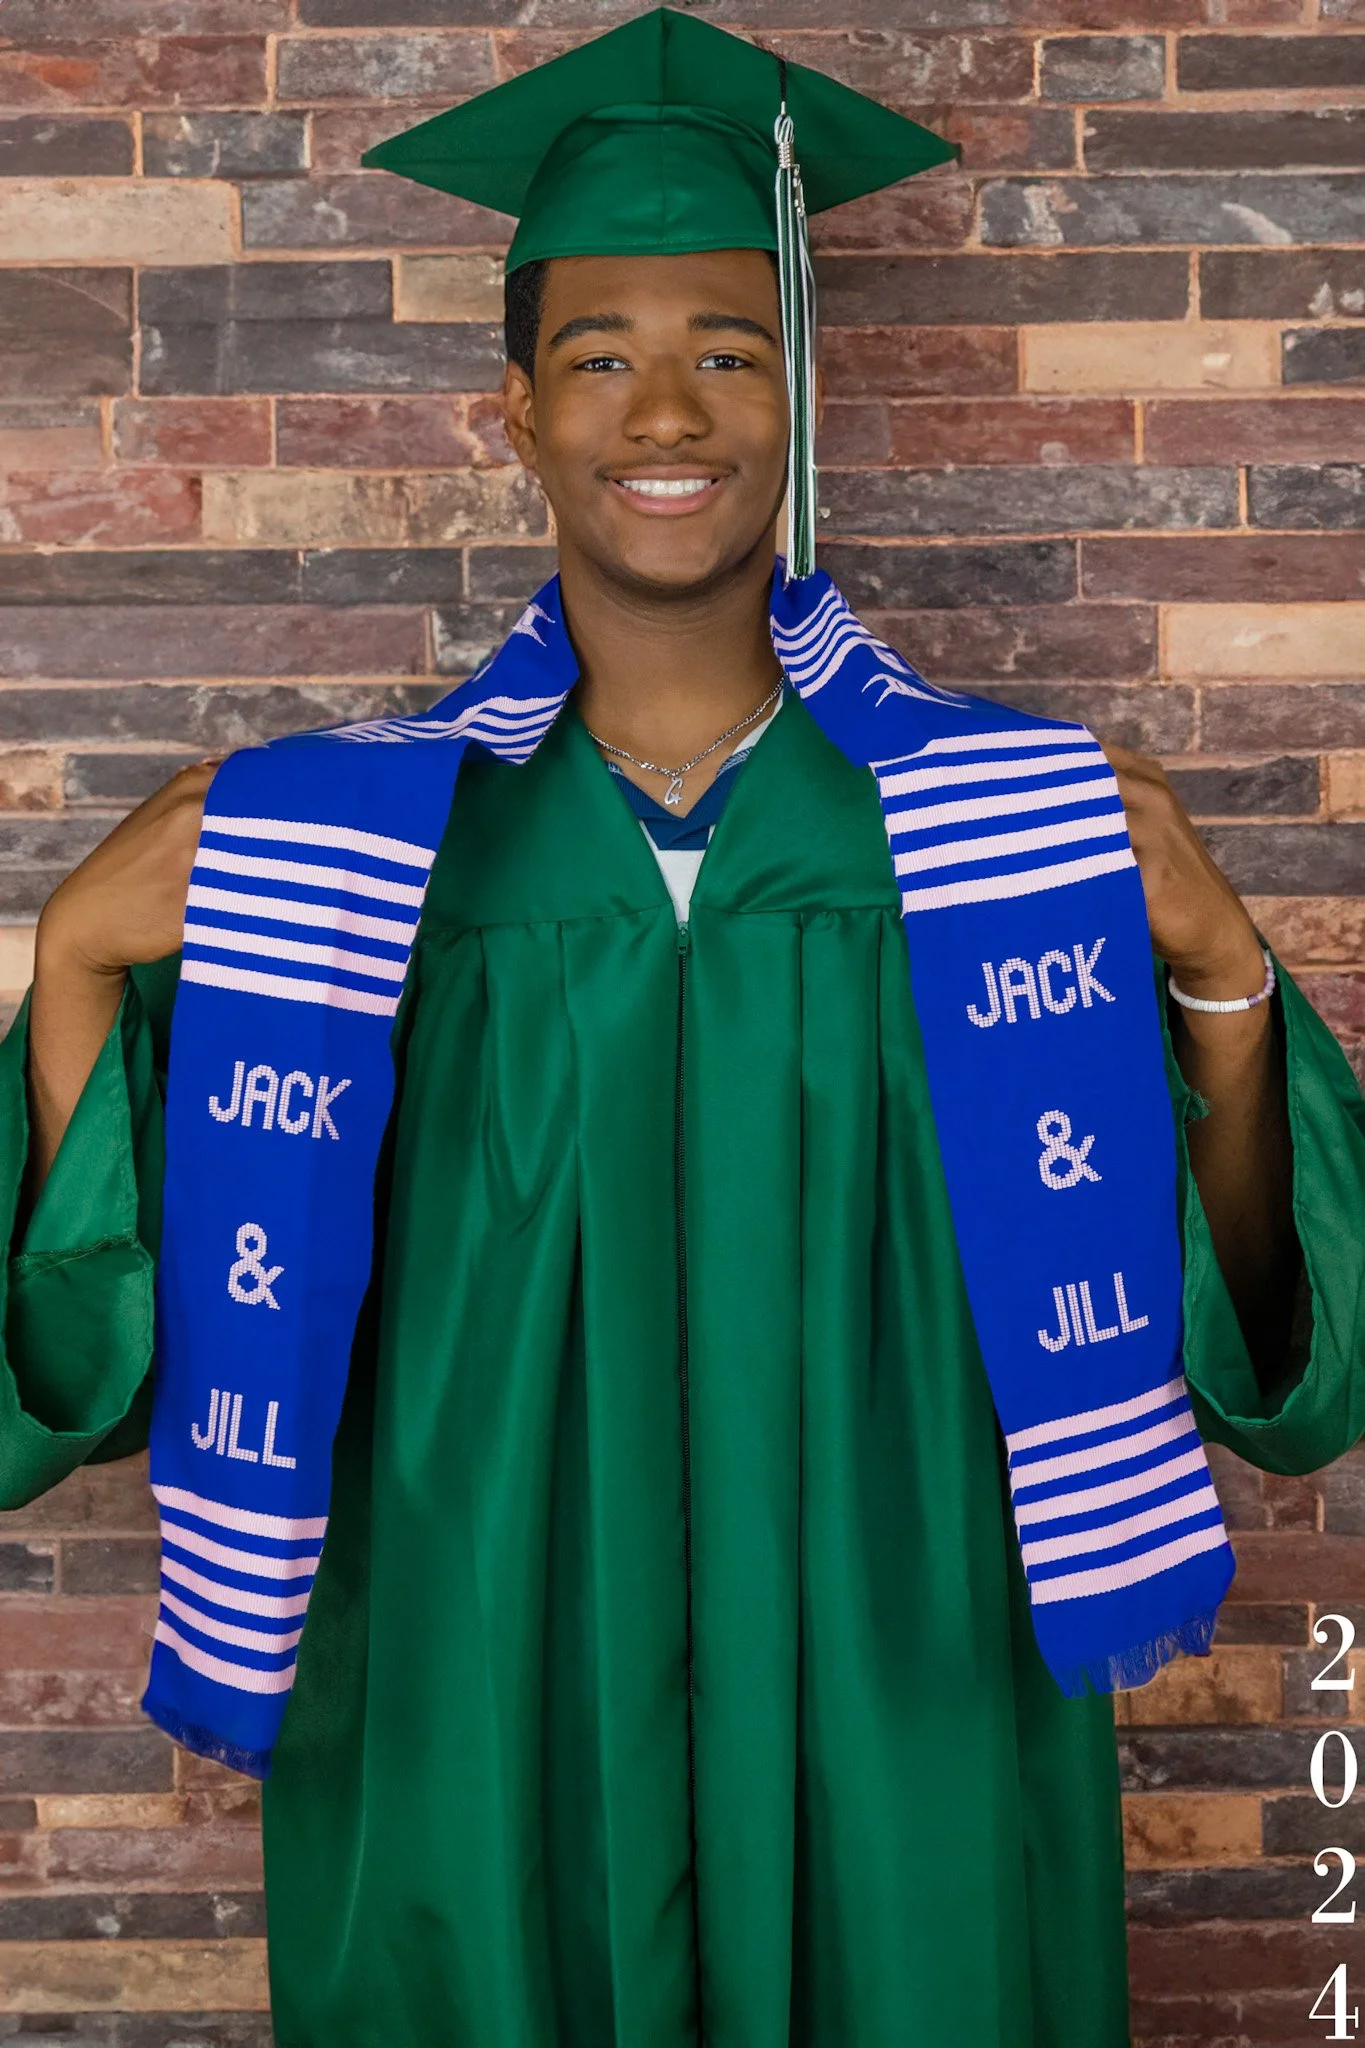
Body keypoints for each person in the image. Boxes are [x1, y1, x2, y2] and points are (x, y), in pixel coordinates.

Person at [3, 12, 1364, 2045]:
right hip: (479, 1685)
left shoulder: (990, 831)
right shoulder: (351, 854)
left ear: (798, 389)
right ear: (514, 415)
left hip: (908, 1667)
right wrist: (77, 979)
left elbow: (1260, 1344)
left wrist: (1222, 981)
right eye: (600, 355)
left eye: (729, 350)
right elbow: (123, 1340)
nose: (672, 408)